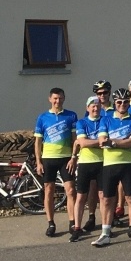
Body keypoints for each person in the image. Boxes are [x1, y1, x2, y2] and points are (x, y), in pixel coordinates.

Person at [94, 89, 131, 246]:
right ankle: (105, 233)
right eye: (119, 102)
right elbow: (102, 141)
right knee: (108, 200)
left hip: (128, 165)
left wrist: (113, 142)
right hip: (109, 165)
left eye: (126, 102)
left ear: (129, 102)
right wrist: (124, 141)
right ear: (115, 103)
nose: (122, 105)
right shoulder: (106, 119)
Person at [33, 87, 77, 238]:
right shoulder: (42, 117)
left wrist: (74, 157)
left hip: (66, 158)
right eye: (55, 98)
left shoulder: (71, 115)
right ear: (50, 99)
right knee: (49, 191)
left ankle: (72, 222)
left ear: (64, 98)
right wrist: (38, 162)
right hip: (48, 159)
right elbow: (38, 142)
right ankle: (51, 223)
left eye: (61, 98)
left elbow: (74, 139)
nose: (58, 101)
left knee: (71, 190)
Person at [70, 97, 104, 241]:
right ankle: (77, 228)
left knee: (103, 197)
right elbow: (82, 143)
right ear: (87, 108)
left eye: (97, 106)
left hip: (103, 162)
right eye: (92, 106)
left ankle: (105, 228)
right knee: (81, 197)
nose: (95, 108)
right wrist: (100, 142)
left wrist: (92, 142)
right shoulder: (81, 122)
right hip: (85, 163)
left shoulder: (105, 121)